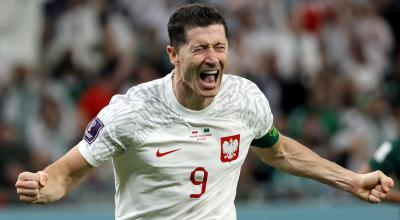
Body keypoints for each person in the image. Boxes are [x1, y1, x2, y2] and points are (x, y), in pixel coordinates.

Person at [15, 3, 394, 220]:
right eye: (199, 49)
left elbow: (279, 152)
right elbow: (66, 173)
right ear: (173, 55)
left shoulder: (244, 99)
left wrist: (350, 181)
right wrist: (43, 185)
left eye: (220, 47)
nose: (213, 58)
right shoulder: (132, 111)